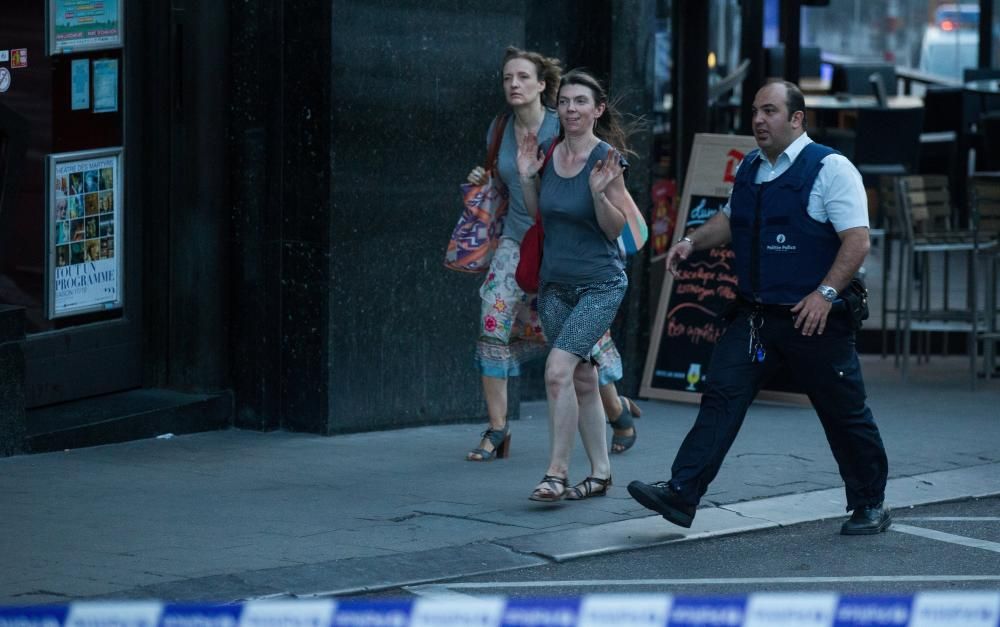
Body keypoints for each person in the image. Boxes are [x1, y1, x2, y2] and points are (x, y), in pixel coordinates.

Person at [627, 80, 890, 535]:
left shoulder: (831, 167)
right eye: (754, 111)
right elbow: (731, 219)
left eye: (769, 111)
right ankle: (682, 492)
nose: (758, 120)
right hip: (755, 317)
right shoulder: (750, 166)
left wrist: (825, 293)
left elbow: (857, 241)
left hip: (816, 320)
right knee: (721, 398)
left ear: (796, 119)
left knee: (842, 411)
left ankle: (870, 502)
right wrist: (690, 241)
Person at [465, 48, 641, 462]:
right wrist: (484, 177)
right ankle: (497, 427)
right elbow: (508, 182)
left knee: (580, 342)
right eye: (507, 77)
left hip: (568, 245)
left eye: (523, 77)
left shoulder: (564, 129)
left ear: (544, 85)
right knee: (493, 314)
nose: (514, 85)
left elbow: (617, 215)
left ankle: (616, 411)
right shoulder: (499, 128)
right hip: (518, 240)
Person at [517, 69, 639, 501]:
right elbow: (541, 215)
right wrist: (528, 176)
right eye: (565, 102)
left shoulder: (607, 159)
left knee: (557, 372)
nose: (571, 109)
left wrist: (599, 194)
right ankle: (602, 473)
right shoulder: (547, 151)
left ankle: (556, 473)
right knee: (585, 379)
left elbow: (615, 230)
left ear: (597, 109)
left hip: (599, 285)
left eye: (581, 102)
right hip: (554, 285)